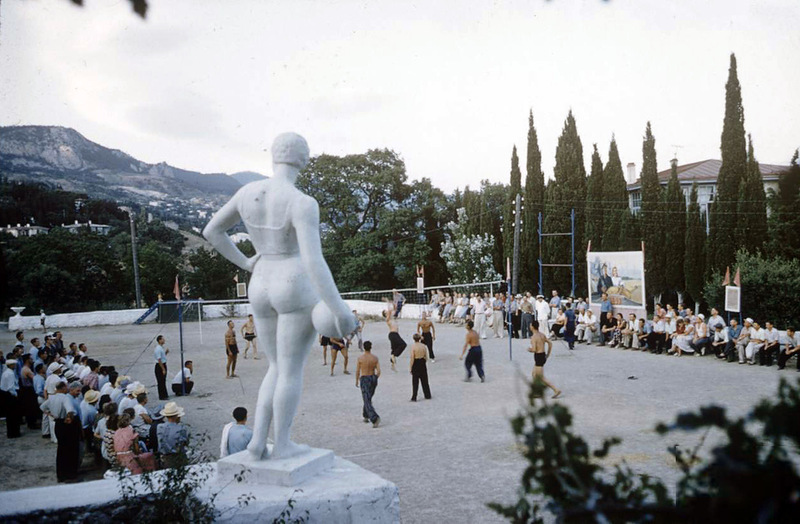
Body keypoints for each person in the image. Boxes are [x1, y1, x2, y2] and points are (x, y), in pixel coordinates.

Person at [203, 132, 357, 460]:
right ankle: (282, 443)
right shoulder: (301, 202)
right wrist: (338, 308)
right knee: (289, 370)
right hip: (293, 283)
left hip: (260, 281)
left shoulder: (247, 193)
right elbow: (315, 262)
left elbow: (212, 231)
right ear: (302, 159)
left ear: (274, 156)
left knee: (274, 366)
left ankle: (259, 440)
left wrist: (245, 262)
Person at [41, 382, 80, 482]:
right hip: (66, 424)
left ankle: (61, 474)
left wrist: (51, 415)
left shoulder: (51, 398)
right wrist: (69, 418)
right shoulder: (64, 397)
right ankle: (71, 473)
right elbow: (70, 410)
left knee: (61, 449)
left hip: (58, 423)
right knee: (71, 449)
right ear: (62, 388)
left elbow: (42, 407)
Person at [528, 320, 561, 399]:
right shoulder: (542, 335)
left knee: (541, 377)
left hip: (538, 356)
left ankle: (556, 390)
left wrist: (529, 349)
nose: (529, 327)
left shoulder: (534, 337)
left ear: (532, 327)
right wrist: (548, 354)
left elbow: (534, 349)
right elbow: (550, 343)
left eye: (530, 325)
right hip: (542, 355)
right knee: (534, 374)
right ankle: (538, 391)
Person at [355, 341, 381, 427]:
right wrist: (375, 378)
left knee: (366, 398)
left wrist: (356, 380)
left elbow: (358, 371)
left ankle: (374, 418)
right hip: (372, 377)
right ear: (371, 347)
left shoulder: (360, 358)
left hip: (365, 378)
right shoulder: (375, 358)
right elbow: (379, 371)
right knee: (368, 398)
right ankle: (366, 415)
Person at [157, 402, 189, 468]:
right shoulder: (181, 428)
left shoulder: (160, 427)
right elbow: (185, 443)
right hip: (178, 457)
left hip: (165, 457)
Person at [1, 358, 21, 438]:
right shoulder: (10, 374)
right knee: (14, 415)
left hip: (5, 394)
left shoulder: (5, 372)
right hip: (10, 395)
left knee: (10, 416)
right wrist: (15, 395)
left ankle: (11, 432)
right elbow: (11, 386)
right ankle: (14, 432)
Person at [409, 334, 432, 402]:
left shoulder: (413, 347)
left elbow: (412, 358)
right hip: (422, 362)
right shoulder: (423, 346)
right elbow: (426, 356)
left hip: (416, 362)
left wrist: (411, 367)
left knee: (415, 381)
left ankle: (414, 396)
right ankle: (427, 395)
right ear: (419, 339)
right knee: (425, 380)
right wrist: (424, 362)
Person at [385, 308, 407, 372]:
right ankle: (394, 355)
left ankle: (393, 365)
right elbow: (389, 311)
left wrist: (393, 304)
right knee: (403, 344)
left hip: (395, 334)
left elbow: (394, 309)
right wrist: (387, 301)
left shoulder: (392, 319)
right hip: (393, 334)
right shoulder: (387, 319)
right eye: (386, 312)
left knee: (394, 349)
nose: (388, 311)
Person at [154, 335, 169, 401]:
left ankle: (164, 394)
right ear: (159, 340)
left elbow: (162, 357)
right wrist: (163, 369)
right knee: (160, 381)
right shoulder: (158, 349)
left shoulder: (161, 348)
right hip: (160, 366)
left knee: (163, 380)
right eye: (163, 339)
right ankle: (162, 396)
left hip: (163, 364)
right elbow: (159, 360)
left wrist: (166, 353)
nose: (164, 340)